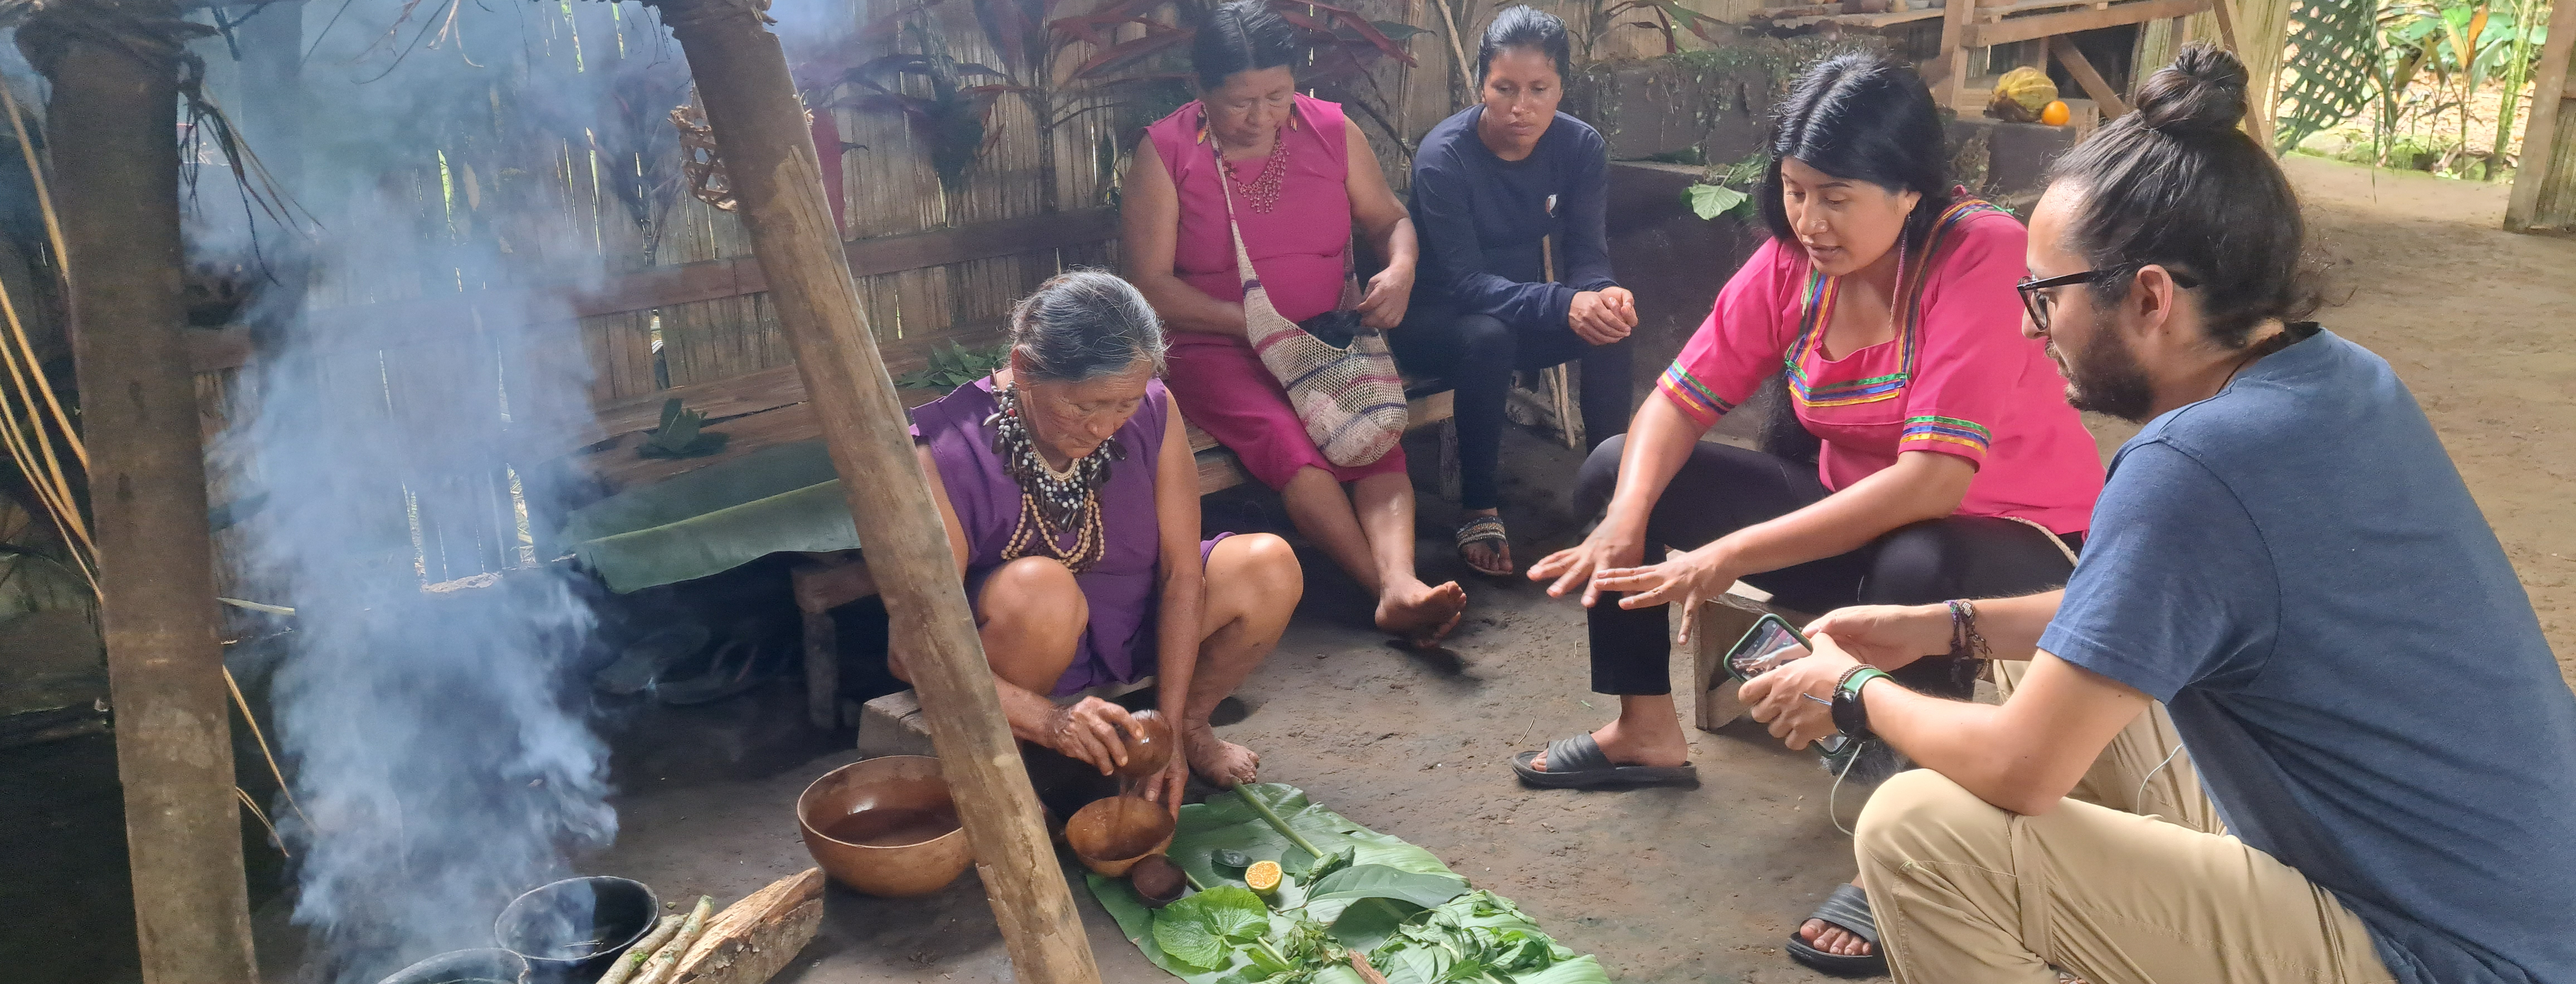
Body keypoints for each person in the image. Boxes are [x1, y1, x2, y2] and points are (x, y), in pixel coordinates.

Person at [1743, 45, 2576, 984]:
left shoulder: (2189, 464)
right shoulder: (2334, 375)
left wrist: (1848, 690)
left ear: (2147, 298)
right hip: (2498, 895)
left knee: (1914, 830)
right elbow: (2142, 610)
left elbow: (2022, 771)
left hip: (2435, 950)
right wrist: (1937, 627)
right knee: (2034, 669)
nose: (2028, 327)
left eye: (2042, 296)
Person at [1515, 51, 2106, 975]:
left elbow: (1931, 484)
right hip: (1861, 523)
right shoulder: (1792, 261)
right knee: (1610, 471)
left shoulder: (1980, 251)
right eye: (1793, 192)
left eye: (1835, 197)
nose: (1807, 220)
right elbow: (1677, 400)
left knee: (1918, 559)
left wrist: (1722, 558)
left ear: (1908, 191)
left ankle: (1904, 850)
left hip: (2017, 544)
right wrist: (1625, 519)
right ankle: (1643, 732)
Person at [1121, 0, 1466, 646]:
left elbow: (1390, 221)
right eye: (1240, 101)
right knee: (1292, 445)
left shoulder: (1331, 131)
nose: (1260, 116)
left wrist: (1400, 269)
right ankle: (1380, 590)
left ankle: (1403, 580)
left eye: (1277, 96)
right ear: (1200, 89)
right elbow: (1151, 287)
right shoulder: (1166, 152)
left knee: (1371, 436)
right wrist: (1252, 325)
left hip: (1325, 332)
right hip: (1218, 346)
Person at [904, 271, 1304, 815]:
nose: (1103, 427)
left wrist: (1162, 732)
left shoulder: (1155, 408)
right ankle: (1010, 767)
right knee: (1039, 588)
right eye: (1083, 405)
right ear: (1023, 368)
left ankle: (1191, 727)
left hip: (1134, 626)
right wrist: (1054, 722)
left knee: (1270, 566)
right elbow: (914, 646)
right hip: (1020, 651)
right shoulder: (941, 449)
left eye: (1123, 404)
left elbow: (1182, 575)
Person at [1393, 6, 1636, 577]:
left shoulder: (1579, 148)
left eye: (1538, 89)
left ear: (1561, 88)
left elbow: (1587, 254)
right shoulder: (1444, 157)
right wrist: (1562, 303)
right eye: (1503, 88)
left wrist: (1601, 294)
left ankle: (1610, 499)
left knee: (1613, 326)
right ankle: (1478, 506)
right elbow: (1465, 283)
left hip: (1515, 309)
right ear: (1480, 84)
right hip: (1435, 320)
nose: (1519, 106)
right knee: (1488, 336)